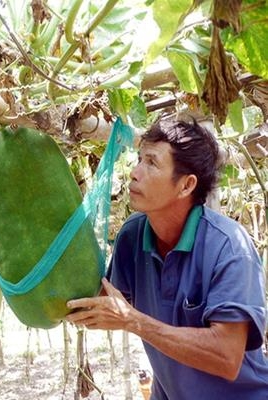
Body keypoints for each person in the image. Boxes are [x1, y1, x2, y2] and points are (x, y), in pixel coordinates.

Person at [66, 117, 268, 399]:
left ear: (186, 186)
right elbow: (100, 301)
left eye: (151, 163)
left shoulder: (230, 246)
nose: (135, 172)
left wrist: (133, 321)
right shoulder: (131, 236)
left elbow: (227, 356)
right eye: (139, 159)